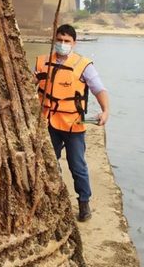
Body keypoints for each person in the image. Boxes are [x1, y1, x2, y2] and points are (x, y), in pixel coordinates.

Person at [34, 24, 109, 222]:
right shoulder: (42, 62)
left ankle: (84, 203)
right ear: (54, 40)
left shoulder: (84, 65)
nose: (62, 44)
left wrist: (105, 110)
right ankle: (54, 199)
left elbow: (99, 89)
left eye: (67, 41)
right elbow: (29, 86)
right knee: (50, 163)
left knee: (78, 166)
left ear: (74, 43)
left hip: (74, 123)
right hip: (48, 122)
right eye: (59, 40)